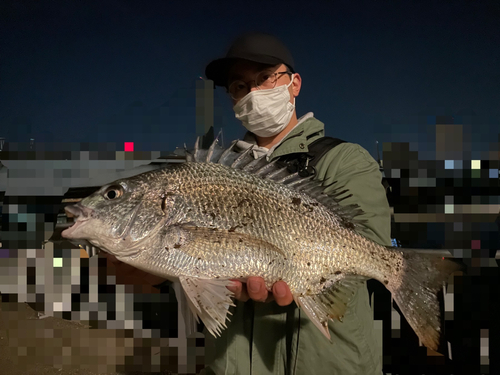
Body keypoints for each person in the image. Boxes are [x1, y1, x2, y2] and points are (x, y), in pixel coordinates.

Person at [199, 32, 392, 375]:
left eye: (264, 79)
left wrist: (297, 273)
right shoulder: (215, 174)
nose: (253, 94)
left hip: (326, 362)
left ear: (294, 83)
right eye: (240, 87)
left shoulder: (345, 159)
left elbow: (369, 243)